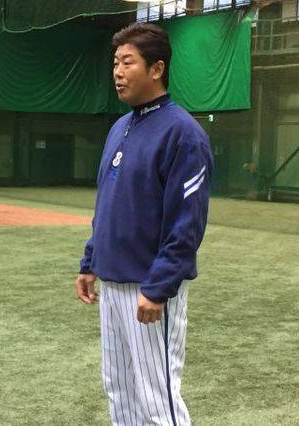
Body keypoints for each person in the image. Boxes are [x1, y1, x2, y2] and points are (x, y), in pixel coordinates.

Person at [75, 23, 213, 425]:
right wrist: (90, 261)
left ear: (156, 69)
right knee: (119, 391)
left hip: (150, 288)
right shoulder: (120, 127)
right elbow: (108, 204)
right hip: (112, 281)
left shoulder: (183, 133)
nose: (117, 72)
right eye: (115, 63)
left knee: (157, 400)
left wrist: (158, 287)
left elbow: (187, 223)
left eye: (127, 62)